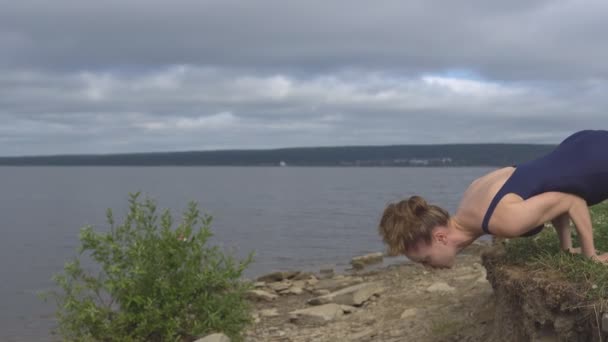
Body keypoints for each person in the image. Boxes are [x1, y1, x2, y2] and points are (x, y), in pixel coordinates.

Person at [378, 129, 608, 269]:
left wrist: (590, 254)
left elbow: (570, 201)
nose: (428, 268)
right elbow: (548, 191)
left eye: (425, 261)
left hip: (599, 161)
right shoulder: (471, 194)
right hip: (581, 147)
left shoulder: (503, 220)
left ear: (440, 237)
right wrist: (566, 249)